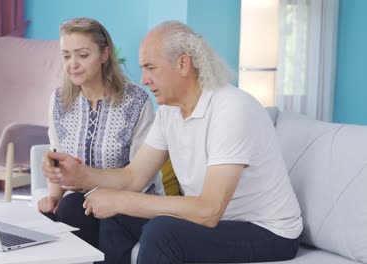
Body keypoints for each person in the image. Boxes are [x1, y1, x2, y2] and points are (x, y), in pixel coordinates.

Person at [47, 20, 303, 264]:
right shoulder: (169, 113)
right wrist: (82, 175)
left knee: (162, 231)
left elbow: (209, 210)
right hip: (213, 221)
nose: (144, 80)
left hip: (267, 231)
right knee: (110, 216)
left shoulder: (232, 109)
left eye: (150, 68)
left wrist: (123, 200)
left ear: (183, 64)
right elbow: (134, 176)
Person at [37, 17, 164, 248]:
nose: (72, 64)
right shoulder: (59, 100)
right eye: (66, 55)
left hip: (131, 204)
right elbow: (57, 157)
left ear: (104, 55)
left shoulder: (136, 101)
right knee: (59, 211)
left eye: (82, 55)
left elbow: (140, 178)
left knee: (82, 211)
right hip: (83, 205)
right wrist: (53, 197)